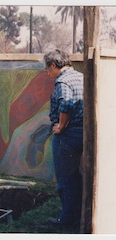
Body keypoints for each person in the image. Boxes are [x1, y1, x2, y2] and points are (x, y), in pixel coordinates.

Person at [44, 49, 83, 227]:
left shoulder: (63, 81)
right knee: (75, 176)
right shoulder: (79, 76)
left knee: (65, 179)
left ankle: (67, 220)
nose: (48, 73)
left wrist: (61, 126)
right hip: (82, 131)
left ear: (54, 65)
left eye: (48, 69)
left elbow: (66, 104)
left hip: (68, 134)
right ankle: (77, 214)